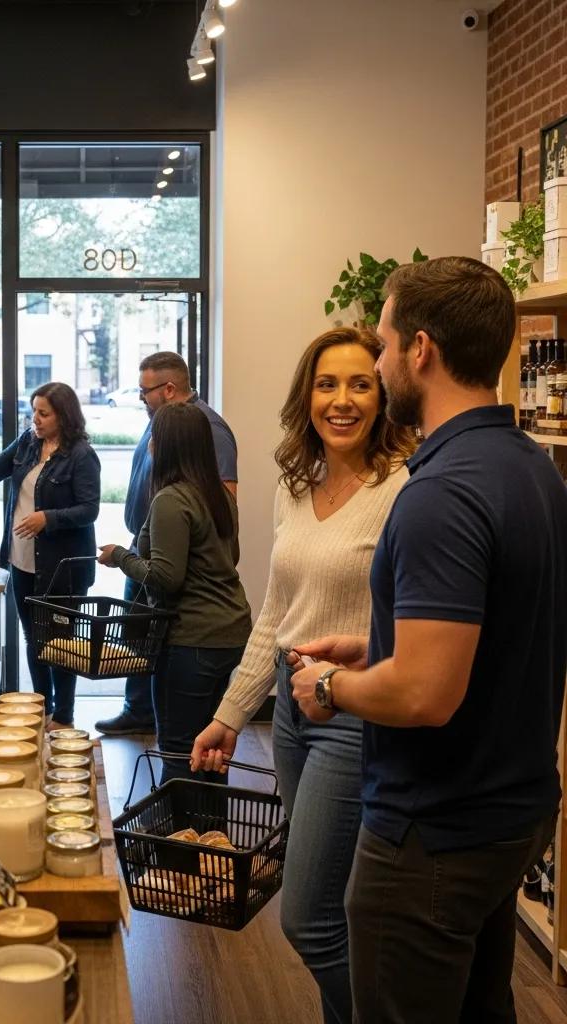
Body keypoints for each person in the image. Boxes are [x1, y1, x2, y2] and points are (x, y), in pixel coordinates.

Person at [289, 257, 567, 1023]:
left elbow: (423, 692)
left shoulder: (440, 494)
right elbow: (489, 642)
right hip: (510, 812)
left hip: (432, 830)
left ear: (419, 350)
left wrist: (329, 687)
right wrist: (373, 647)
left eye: (380, 347)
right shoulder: (529, 468)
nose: (376, 364)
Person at [190, 327, 415, 1024]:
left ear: (383, 397)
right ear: (306, 396)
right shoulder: (298, 483)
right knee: (341, 913)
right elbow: (274, 616)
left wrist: (344, 672)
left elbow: (423, 628)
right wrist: (231, 714)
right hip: (291, 715)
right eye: (326, 384)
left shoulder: (407, 487)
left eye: (359, 384)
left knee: (310, 918)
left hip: (355, 713)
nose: (341, 400)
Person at [99, 401, 251, 784]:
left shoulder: (170, 499)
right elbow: (231, 556)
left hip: (191, 641)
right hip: (230, 633)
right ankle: (211, 839)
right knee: (212, 749)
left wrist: (121, 556)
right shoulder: (218, 494)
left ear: (167, 446)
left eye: (154, 437)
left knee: (180, 750)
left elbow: (166, 577)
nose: (149, 444)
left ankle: (177, 840)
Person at [0, 382, 100, 728]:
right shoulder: (28, 443)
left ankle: (64, 715)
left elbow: (89, 509)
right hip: (22, 559)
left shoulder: (81, 455)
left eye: (43, 413)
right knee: (34, 637)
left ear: (63, 416)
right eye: (34, 411)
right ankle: (42, 706)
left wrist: (47, 518)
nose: (36, 418)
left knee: (61, 642)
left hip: (62, 566)